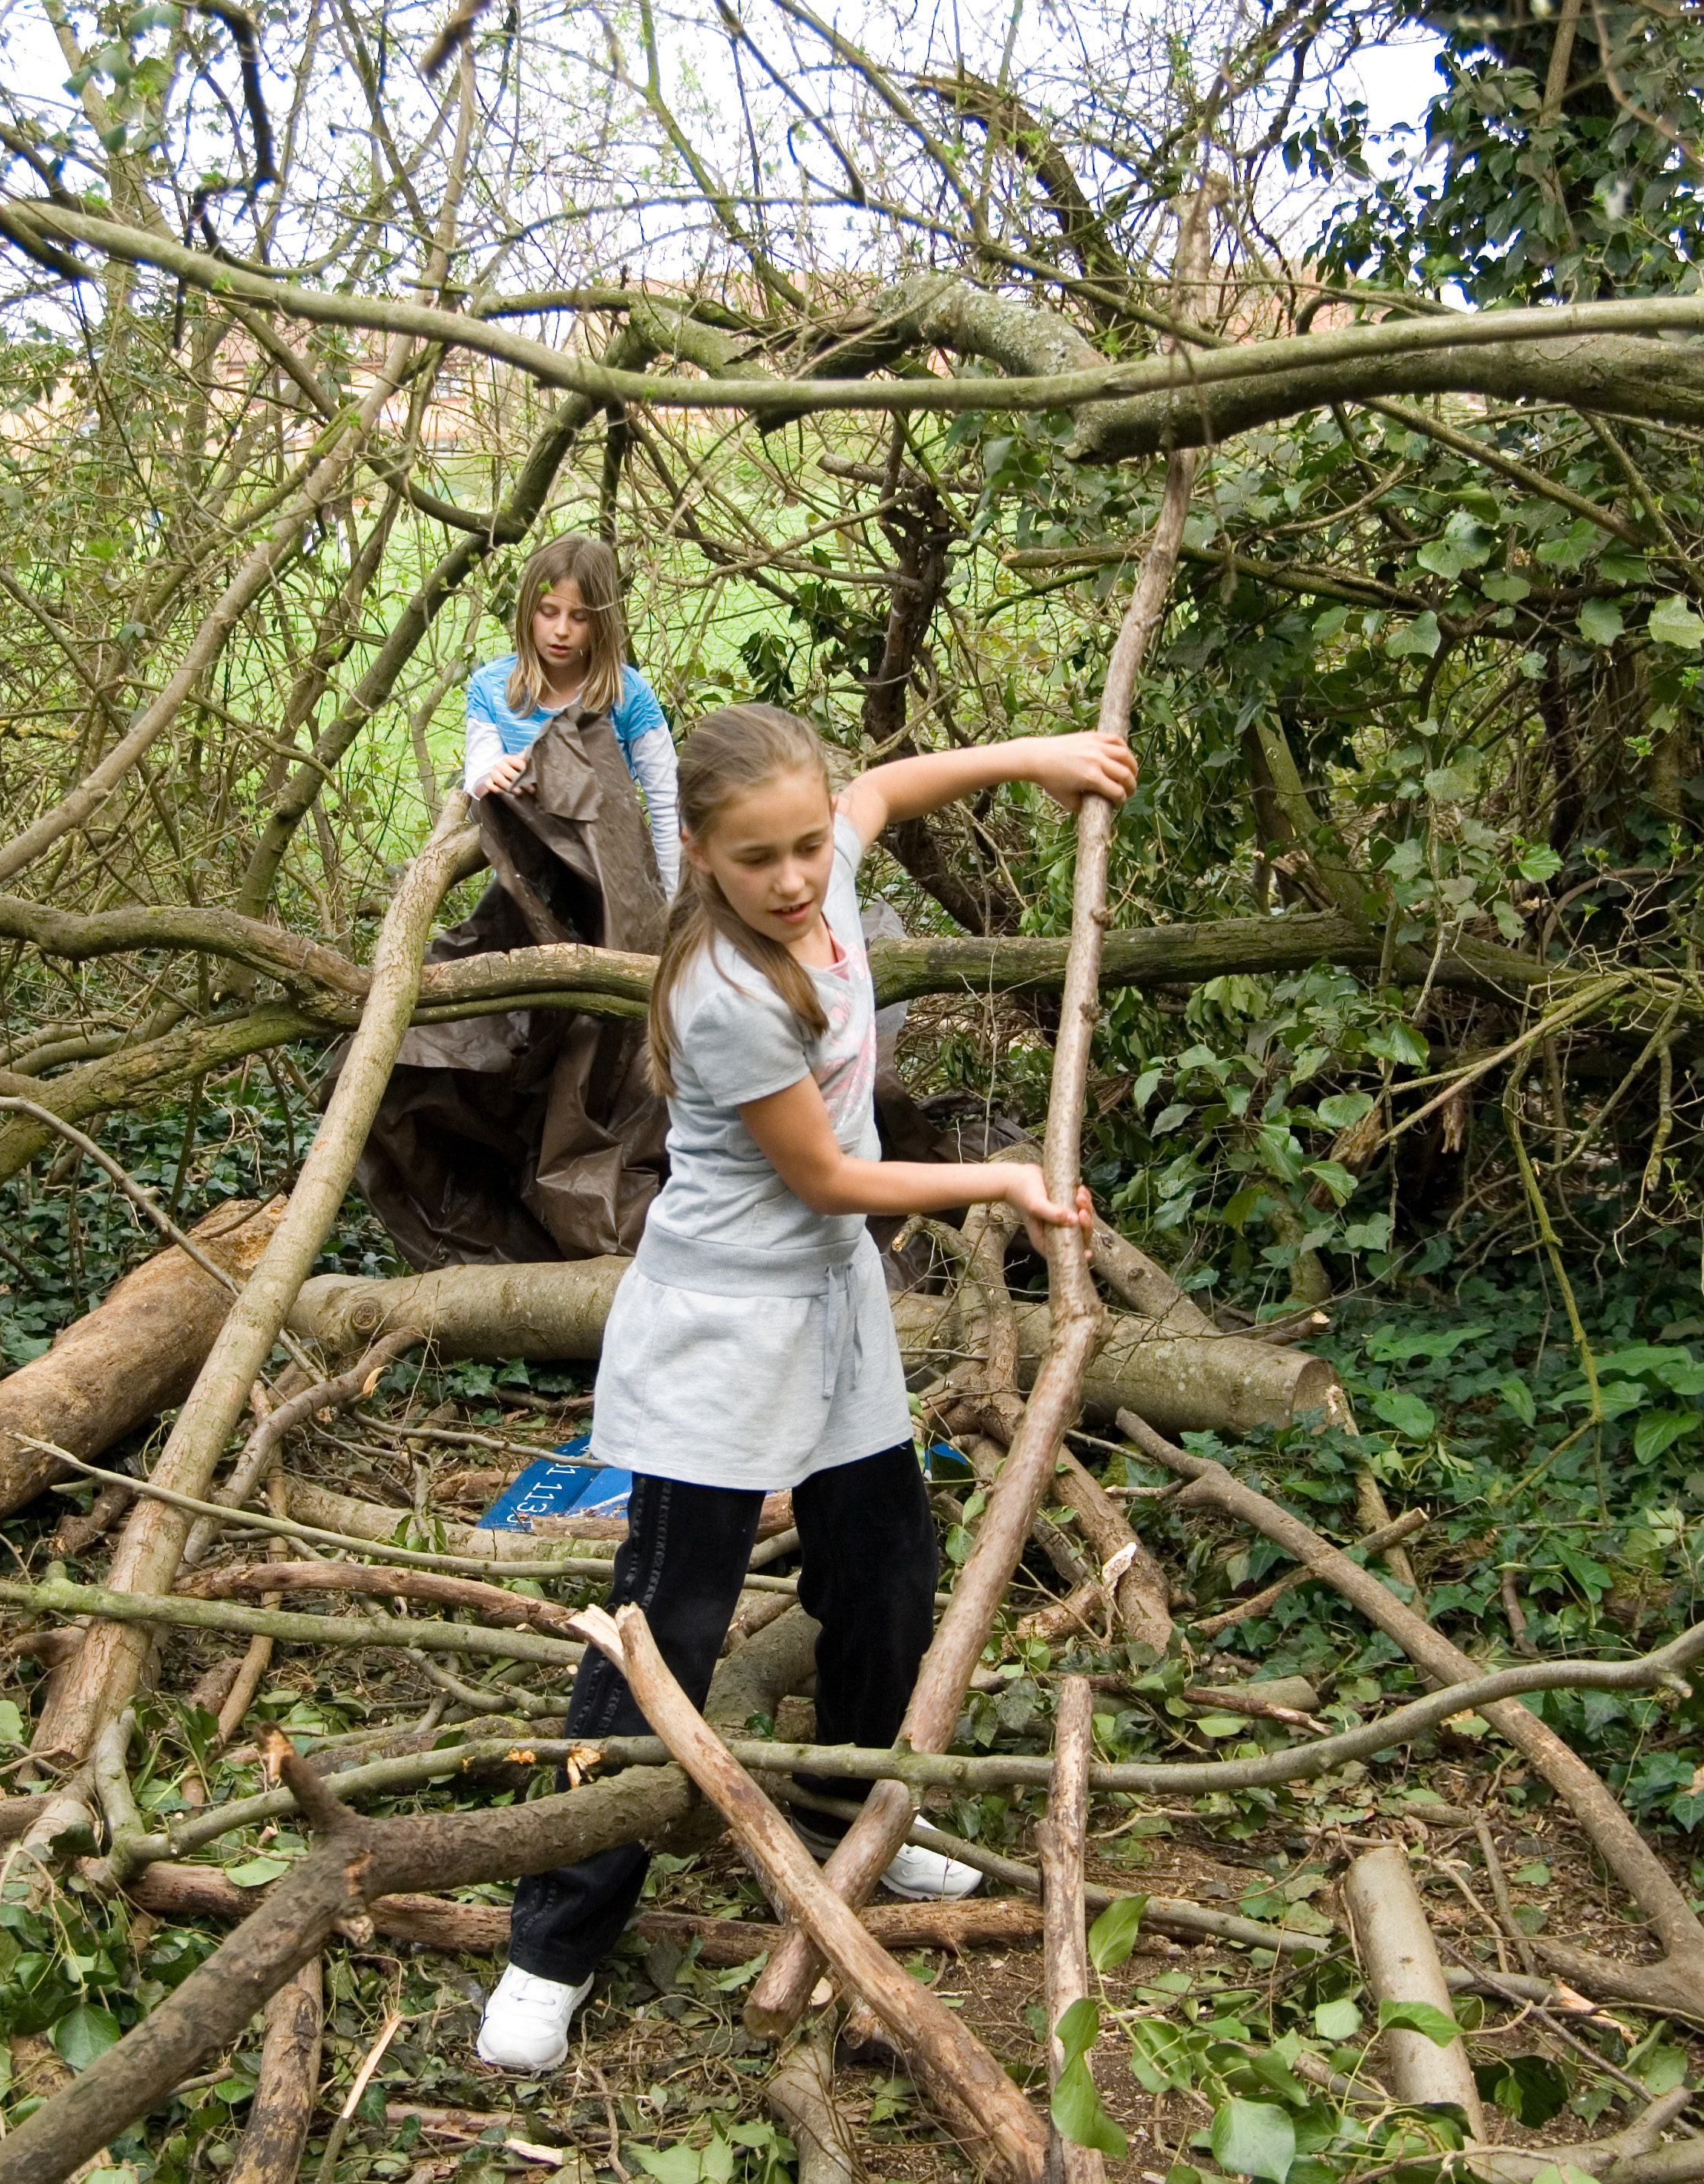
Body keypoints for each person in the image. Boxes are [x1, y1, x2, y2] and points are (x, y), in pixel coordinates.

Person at [472, 701, 1139, 2074]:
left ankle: (854, 1820)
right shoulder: (722, 992)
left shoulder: (822, 855)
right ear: (703, 861)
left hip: (833, 1303)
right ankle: (552, 1937)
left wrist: (1042, 753)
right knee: (668, 1621)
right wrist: (1003, 1178)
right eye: (755, 859)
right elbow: (832, 1175)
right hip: (725, 1319)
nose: (790, 877)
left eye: (801, 847)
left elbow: (888, 789)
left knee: (886, 1564)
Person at [465, 534, 681, 888]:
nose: (561, 630)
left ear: (601, 621)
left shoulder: (629, 696)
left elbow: (668, 809)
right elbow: (478, 781)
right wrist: (490, 779)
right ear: (527, 613)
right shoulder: (489, 689)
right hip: (526, 895)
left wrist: (675, 915)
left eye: (579, 617)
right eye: (549, 612)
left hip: (612, 898)